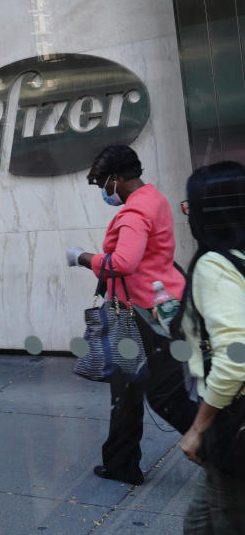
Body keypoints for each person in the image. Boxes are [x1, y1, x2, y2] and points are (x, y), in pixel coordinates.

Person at [66, 144, 197, 485]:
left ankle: (227, 453)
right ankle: (121, 463)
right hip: (148, 308)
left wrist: (82, 257)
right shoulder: (154, 198)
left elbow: (123, 263)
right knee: (125, 390)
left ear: (118, 178)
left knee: (167, 397)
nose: (104, 191)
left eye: (103, 184)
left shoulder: (134, 213)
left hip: (143, 316)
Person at [174, 161, 245, 533]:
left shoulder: (215, 265)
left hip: (231, 421)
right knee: (199, 523)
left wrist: (199, 428)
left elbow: (236, 359)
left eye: (188, 208)